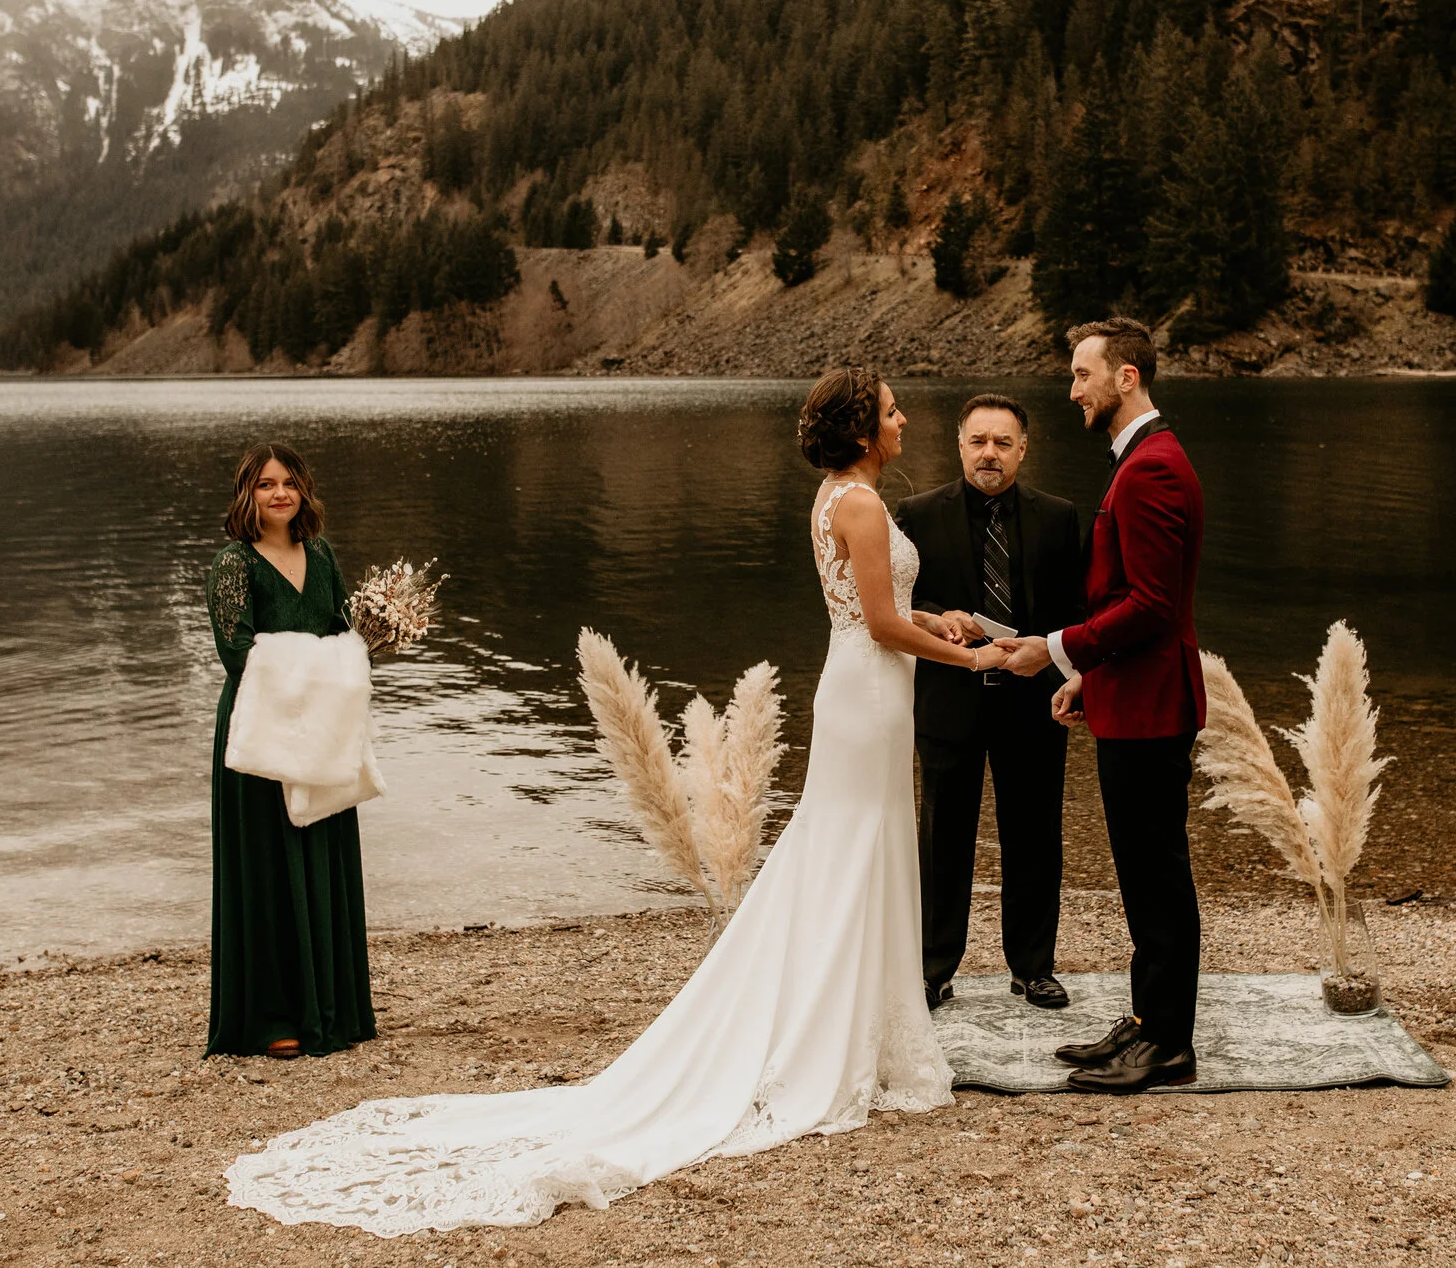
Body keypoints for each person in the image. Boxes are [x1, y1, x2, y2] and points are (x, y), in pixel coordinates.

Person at [226, 367, 1003, 1234]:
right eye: (893, 412)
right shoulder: (856, 505)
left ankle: (863, 1019)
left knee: (864, 845)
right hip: (868, 693)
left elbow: (881, 615)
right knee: (855, 845)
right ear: (864, 431)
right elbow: (878, 621)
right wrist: (973, 658)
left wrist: (940, 624)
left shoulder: (840, 496)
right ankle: (837, 1030)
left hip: (872, 686)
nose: (904, 422)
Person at [999, 318, 1206, 1094]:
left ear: (1127, 378)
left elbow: (1152, 606)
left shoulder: (1151, 468)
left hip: (1153, 706)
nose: (1073, 387)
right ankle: (1150, 1021)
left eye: (1083, 373)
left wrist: (1055, 648)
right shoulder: (1144, 459)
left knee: (1156, 874)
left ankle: (1169, 1045)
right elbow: (1147, 603)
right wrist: (1091, 676)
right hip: (1137, 693)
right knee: (1143, 871)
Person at [893, 393, 1087, 1013]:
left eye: (1003, 443)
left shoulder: (1059, 518)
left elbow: (1076, 614)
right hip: (949, 701)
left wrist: (1071, 673)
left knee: (1034, 837)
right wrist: (936, 621)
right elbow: (896, 613)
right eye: (978, 441)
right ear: (960, 446)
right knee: (941, 838)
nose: (989, 454)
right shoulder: (916, 516)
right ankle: (932, 968)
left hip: (1032, 703)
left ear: (1023, 450)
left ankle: (1033, 968)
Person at [205, 442, 377, 1060]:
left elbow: (338, 635)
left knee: (321, 857)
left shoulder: (322, 555)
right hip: (258, 734)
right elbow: (239, 655)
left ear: (304, 491)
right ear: (246, 495)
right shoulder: (232, 564)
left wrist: (366, 645)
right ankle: (270, 1016)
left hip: (322, 728)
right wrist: (325, 663)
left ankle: (332, 1006)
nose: (280, 494)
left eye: (289, 483)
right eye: (265, 485)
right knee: (269, 867)